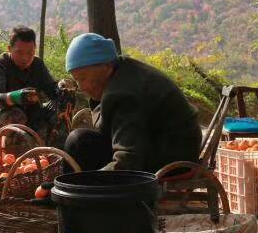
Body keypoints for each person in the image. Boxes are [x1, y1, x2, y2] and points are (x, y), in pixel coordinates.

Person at [62, 33, 202, 172]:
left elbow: (127, 161)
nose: (81, 87)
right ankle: (66, 191)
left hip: (171, 158)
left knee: (79, 141)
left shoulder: (124, 94)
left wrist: (82, 183)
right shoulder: (123, 73)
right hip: (159, 146)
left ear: (106, 66)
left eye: (83, 78)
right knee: (81, 142)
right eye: (77, 80)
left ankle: (70, 192)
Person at [0, 26, 67, 140]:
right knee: (14, 115)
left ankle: (51, 151)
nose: (25, 58)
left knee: (60, 108)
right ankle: (9, 151)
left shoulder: (37, 65)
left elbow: (51, 90)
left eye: (30, 52)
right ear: (9, 49)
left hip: (28, 117)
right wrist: (17, 97)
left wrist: (62, 89)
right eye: (19, 52)